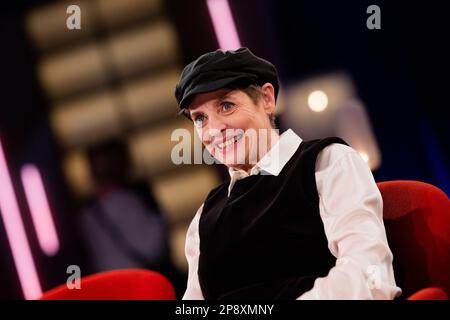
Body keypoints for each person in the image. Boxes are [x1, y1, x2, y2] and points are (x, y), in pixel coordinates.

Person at [175, 47, 402, 300]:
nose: (214, 129)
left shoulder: (327, 163)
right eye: (200, 119)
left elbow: (370, 276)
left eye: (226, 106)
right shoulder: (202, 219)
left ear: (267, 99)